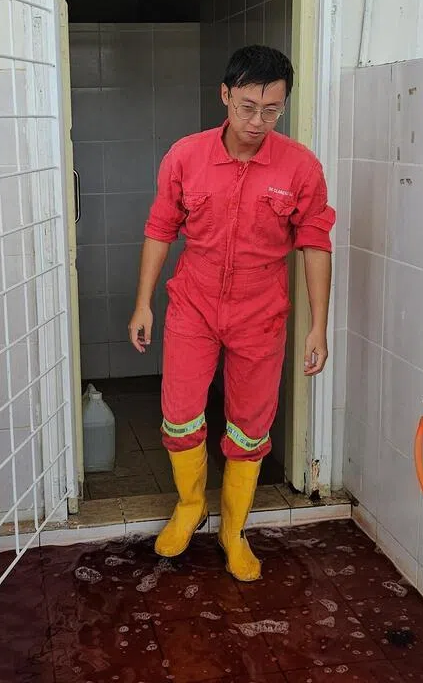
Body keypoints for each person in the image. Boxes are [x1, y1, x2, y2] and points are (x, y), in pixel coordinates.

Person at [128, 45, 336, 582]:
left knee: (250, 425)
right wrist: (143, 303)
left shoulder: (300, 166)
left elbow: (315, 243)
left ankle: (233, 530)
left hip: (260, 312)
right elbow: (159, 229)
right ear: (225, 95)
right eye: (247, 107)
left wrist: (319, 324)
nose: (257, 121)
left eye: (272, 110)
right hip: (193, 305)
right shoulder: (185, 156)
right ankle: (190, 506)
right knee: (180, 413)